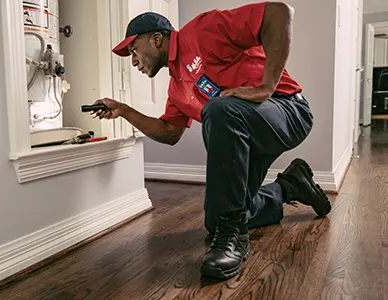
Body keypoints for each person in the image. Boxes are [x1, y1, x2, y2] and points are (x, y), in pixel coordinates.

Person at [90, 1, 331, 280]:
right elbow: (169, 132)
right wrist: (124, 110)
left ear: (156, 40)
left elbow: (279, 12)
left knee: (219, 109)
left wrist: (266, 87)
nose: (133, 60)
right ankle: (290, 186)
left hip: (289, 110)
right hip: (248, 138)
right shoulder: (177, 86)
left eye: (133, 49)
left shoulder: (202, 31)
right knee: (216, 221)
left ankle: (236, 238)